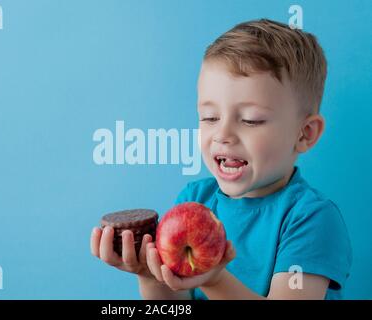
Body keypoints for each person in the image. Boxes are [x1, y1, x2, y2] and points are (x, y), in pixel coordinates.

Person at [90, 19, 352, 300]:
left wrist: (214, 279)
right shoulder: (194, 200)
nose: (223, 134)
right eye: (210, 117)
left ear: (305, 134)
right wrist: (151, 275)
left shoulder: (311, 219)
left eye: (251, 120)